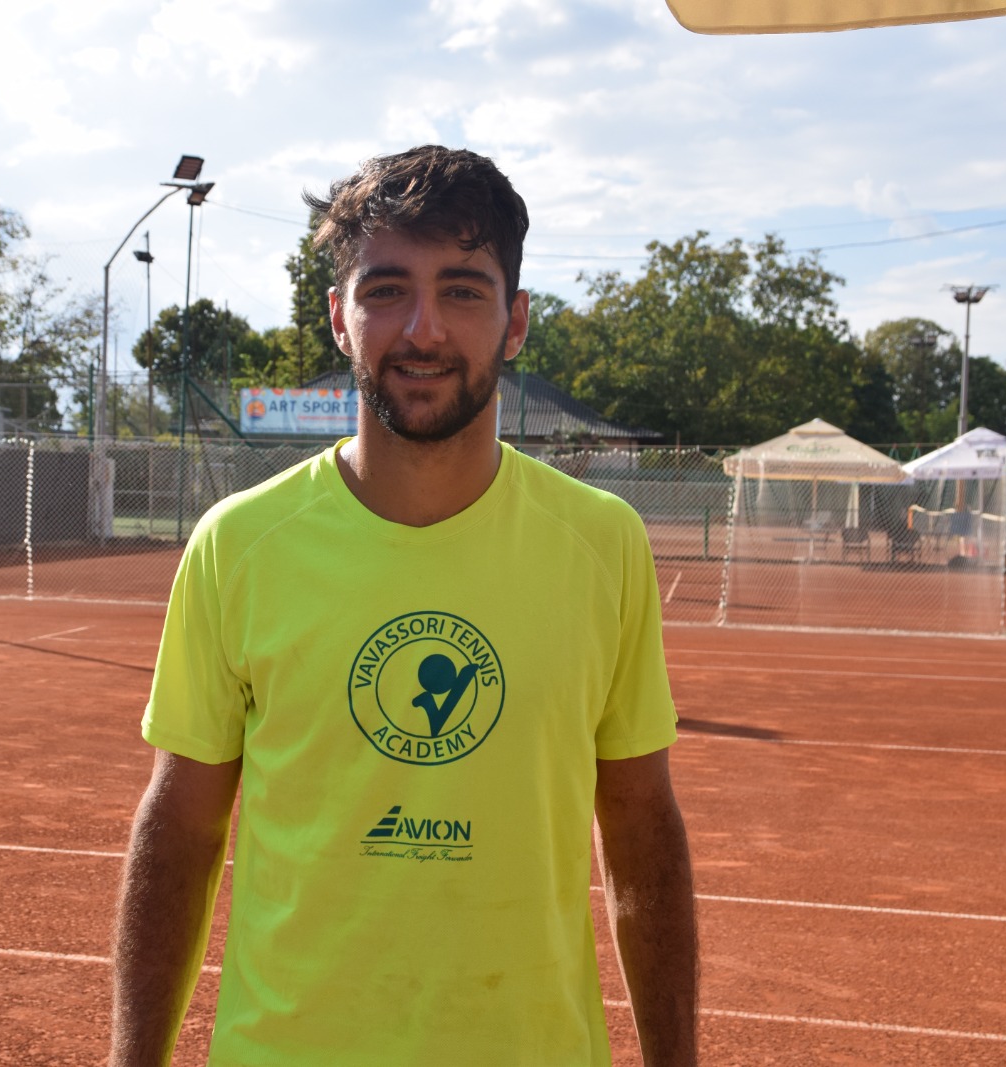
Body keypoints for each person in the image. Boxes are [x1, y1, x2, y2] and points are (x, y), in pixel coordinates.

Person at [112, 145, 697, 1067]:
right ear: (338, 318)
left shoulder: (602, 543)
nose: (423, 328)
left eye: (464, 290)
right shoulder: (238, 545)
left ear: (516, 323)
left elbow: (639, 827)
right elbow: (180, 826)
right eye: (386, 289)